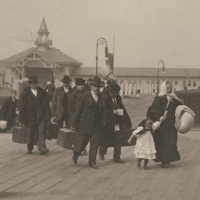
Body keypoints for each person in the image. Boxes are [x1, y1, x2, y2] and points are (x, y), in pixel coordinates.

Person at [70, 77, 106, 169]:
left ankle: (92, 162)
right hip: (85, 125)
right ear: (91, 86)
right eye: (94, 86)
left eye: (98, 87)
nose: (96, 88)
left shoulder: (101, 98)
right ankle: (76, 154)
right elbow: (77, 111)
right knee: (83, 143)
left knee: (95, 144)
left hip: (97, 125)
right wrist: (73, 124)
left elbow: (103, 112)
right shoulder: (84, 97)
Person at [147, 80, 183, 168]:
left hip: (171, 124)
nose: (169, 89)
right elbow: (153, 110)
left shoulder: (174, 98)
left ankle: (168, 159)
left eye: (170, 88)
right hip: (162, 126)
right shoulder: (159, 98)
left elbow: (179, 107)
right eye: (167, 88)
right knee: (163, 143)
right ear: (164, 88)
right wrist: (160, 118)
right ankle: (163, 161)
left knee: (171, 142)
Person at [99, 82, 132, 163]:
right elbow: (102, 111)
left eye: (116, 93)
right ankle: (102, 152)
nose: (115, 94)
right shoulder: (104, 99)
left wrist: (127, 121)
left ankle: (117, 157)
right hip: (108, 123)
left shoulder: (118, 98)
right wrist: (112, 111)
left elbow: (122, 109)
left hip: (117, 123)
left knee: (118, 139)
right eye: (113, 93)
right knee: (106, 138)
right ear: (109, 92)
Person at [18, 75, 51, 155]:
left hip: (41, 116)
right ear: (29, 84)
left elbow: (46, 105)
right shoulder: (25, 93)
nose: (34, 84)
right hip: (29, 117)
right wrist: (21, 120)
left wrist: (49, 116)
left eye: (35, 83)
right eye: (32, 83)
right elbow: (21, 107)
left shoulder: (42, 92)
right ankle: (30, 148)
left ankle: (42, 148)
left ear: (37, 83)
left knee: (41, 131)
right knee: (30, 132)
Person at [69, 78, 87, 155]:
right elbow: (70, 106)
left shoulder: (86, 93)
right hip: (76, 117)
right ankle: (76, 150)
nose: (80, 87)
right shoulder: (73, 94)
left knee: (84, 134)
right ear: (76, 86)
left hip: (85, 117)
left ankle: (83, 148)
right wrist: (73, 116)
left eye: (82, 85)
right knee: (77, 134)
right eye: (79, 85)